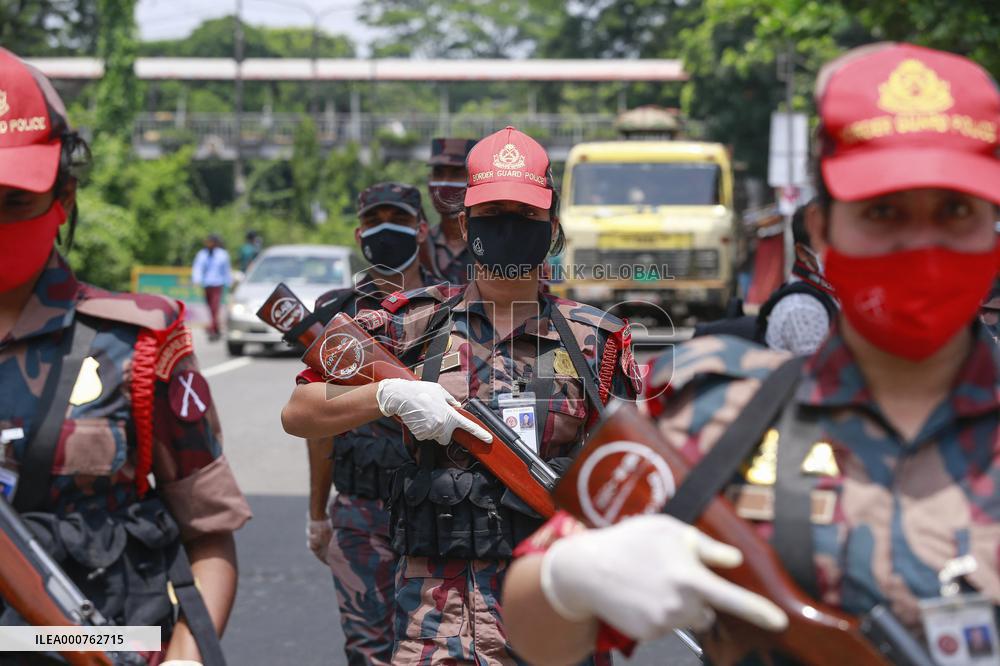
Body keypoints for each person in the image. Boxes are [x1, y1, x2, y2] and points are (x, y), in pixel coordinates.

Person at [504, 42, 1000, 666]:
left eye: (955, 210)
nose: (920, 244)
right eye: (883, 212)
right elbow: (531, 629)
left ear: (993, 225)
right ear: (821, 232)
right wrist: (567, 583)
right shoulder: (726, 416)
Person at [282, 126, 642, 665]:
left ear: (553, 227)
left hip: (553, 629)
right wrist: (387, 395)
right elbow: (300, 412)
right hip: (433, 633)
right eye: (492, 213)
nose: (507, 228)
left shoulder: (596, 340)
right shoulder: (409, 324)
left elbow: (634, 478)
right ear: (466, 222)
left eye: (525, 216)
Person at [0, 47, 251, 664]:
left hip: (95, 642)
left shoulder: (136, 342)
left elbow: (208, 533)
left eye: (14, 201)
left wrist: (188, 658)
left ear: (63, 193)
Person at [300, 183, 440, 666]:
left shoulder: (454, 309)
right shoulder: (338, 316)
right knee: (369, 652)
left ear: (421, 229)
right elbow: (315, 421)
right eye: (375, 220)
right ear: (360, 233)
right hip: (360, 510)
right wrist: (318, 513)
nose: (386, 230)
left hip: (435, 508)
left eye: (398, 219)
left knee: (434, 649)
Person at [422, 137, 477, 286]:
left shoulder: (493, 244)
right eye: (438, 173)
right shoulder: (419, 245)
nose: (445, 182)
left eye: (456, 173)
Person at [191, 233, 232, 341]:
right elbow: (198, 267)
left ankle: (213, 329)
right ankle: (215, 327)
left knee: (215, 307)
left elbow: (226, 270)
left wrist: (229, 283)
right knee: (210, 308)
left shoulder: (222, 254)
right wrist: (196, 280)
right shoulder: (202, 254)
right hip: (206, 284)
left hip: (217, 284)